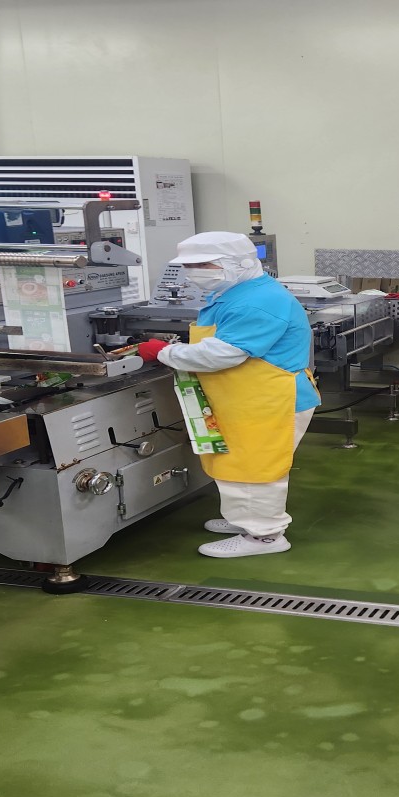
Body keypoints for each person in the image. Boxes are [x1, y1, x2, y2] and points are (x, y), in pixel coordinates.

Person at [136, 231, 319, 559]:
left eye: (204, 265)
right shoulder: (235, 292)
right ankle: (244, 519)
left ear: (239, 263)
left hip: (270, 400)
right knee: (237, 464)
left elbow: (222, 354)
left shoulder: (258, 301)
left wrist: (165, 352)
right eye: (190, 266)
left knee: (256, 469)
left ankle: (265, 536)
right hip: (247, 398)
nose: (194, 272)